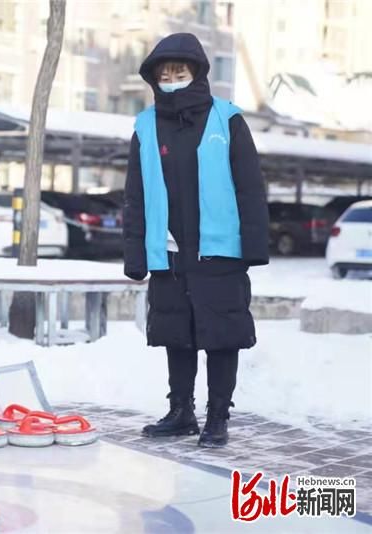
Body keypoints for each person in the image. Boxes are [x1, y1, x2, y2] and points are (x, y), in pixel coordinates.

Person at [122, 33, 269, 448]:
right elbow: (135, 194)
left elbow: (250, 187)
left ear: (197, 74)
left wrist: (254, 246)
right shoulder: (145, 126)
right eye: (164, 74)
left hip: (219, 251)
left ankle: (217, 415)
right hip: (168, 251)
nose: (171, 79)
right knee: (176, 333)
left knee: (221, 335)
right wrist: (135, 252)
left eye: (179, 72)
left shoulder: (228, 119)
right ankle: (181, 410)